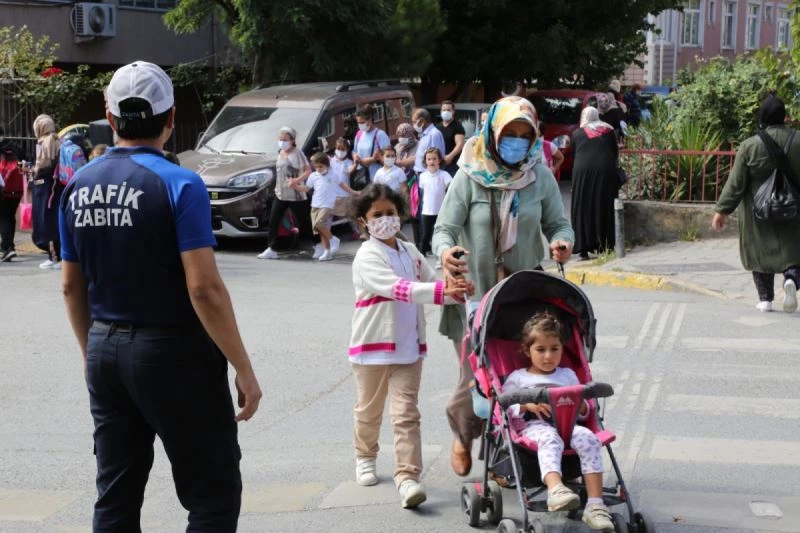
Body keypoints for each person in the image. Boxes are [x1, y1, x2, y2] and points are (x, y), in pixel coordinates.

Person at [58, 60, 262, 532]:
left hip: (105, 347)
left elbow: (71, 284)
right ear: (171, 120)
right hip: (173, 352)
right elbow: (204, 287)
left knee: (116, 496)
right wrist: (244, 368)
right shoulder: (179, 183)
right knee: (211, 496)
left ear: (109, 118)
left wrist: (92, 353)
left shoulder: (79, 185)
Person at [432, 95, 574, 477]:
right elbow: (442, 230)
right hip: (473, 293)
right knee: (475, 378)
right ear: (493, 133)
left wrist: (562, 242)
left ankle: (507, 456)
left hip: (522, 293)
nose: (517, 141)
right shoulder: (468, 174)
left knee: (521, 374)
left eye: (525, 135)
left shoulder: (539, 175)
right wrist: (446, 254)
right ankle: (464, 435)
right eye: (509, 133)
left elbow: (558, 225)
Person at [348, 183, 473, 508]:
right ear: (364, 221)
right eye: (377, 215)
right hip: (372, 347)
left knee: (406, 414)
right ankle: (365, 455)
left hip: (408, 348)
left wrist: (456, 287)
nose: (385, 220)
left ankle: (408, 478)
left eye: (390, 213)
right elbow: (399, 289)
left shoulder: (409, 251)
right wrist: (440, 292)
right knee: (369, 411)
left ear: (401, 214)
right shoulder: (366, 256)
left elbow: (433, 280)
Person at [503, 312, 613, 530]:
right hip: (534, 427)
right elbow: (505, 405)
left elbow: (584, 410)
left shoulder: (567, 375)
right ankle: (556, 489)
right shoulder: (518, 378)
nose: (548, 356)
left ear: (563, 348)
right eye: (540, 350)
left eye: (554, 349)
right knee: (550, 438)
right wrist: (527, 405)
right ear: (527, 350)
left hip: (568, 425)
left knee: (589, 438)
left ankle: (595, 505)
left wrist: (581, 406)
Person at [712, 94, 800, 313]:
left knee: (760, 252)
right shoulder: (798, 141)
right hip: (794, 210)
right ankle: (791, 279)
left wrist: (722, 210)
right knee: (794, 250)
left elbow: (736, 183)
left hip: (759, 214)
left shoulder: (750, 146)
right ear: (785, 117)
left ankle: (765, 299)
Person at [570, 107, 619, 260]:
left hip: (582, 172)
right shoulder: (609, 131)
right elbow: (615, 153)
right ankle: (604, 245)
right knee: (604, 204)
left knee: (582, 206)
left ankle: (583, 248)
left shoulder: (577, 133)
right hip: (606, 171)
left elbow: (574, 153)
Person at [257, 126, 312, 260]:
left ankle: (311, 245)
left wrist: (296, 180)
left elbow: (308, 170)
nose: (282, 142)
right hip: (280, 193)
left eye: (285, 139)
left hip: (296, 194)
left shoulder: (297, 153)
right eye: (280, 139)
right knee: (273, 220)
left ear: (292, 140)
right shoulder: (280, 152)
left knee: (304, 221)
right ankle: (272, 248)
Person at [294, 152, 354, 261]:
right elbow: (307, 188)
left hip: (327, 205)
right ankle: (327, 252)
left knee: (319, 224)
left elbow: (343, 185)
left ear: (327, 165)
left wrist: (353, 192)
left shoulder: (333, 175)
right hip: (315, 204)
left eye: (320, 166)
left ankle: (333, 240)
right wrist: (295, 186)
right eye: (316, 167)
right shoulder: (313, 176)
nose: (318, 169)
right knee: (320, 229)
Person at [31, 114, 62, 269]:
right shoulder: (58, 139)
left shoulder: (45, 141)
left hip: (45, 187)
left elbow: (42, 166)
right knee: (54, 218)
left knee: (46, 219)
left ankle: (53, 256)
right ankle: (57, 254)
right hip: (56, 186)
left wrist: (33, 171)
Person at [417, 147, 452, 259]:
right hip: (427, 210)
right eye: (429, 159)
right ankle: (422, 254)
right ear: (425, 161)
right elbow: (422, 191)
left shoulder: (444, 175)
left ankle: (440, 254)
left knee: (439, 234)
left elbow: (451, 186)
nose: (431, 161)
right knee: (426, 234)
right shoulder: (422, 176)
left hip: (441, 211)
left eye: (434, 159)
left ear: (439, 160)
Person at [0, 128, 26, 262]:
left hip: (2, 188)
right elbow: (25, 163)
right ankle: (10, 245)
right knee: (10, 216)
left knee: (3, 218)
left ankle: (7, 248)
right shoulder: (14, 146)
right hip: (17, 188)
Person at [330, 137, 361, 242]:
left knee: (351, 215)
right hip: (332, 194)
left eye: (343, 149)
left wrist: (356, 164)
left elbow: (350, 171)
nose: (340, 151)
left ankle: (356, 231)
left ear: (347, 151)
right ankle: (328, 234)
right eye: (338, 148)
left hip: (345, 194)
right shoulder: (330, 161)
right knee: (330, 215)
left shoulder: (348, 162)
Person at [352, 106, 391, 182]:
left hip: (376, 177)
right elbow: (354, 151)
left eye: (362, 122)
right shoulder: (359, 134)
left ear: (369, 120)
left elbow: (389, 159)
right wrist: (355, 156)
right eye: (358, 122)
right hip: (361, 176)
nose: (360, 125)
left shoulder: (380, 135)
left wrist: (374, 160)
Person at [411, 108, 446, 177]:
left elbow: (435, 159)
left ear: (422, 121)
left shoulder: (433, 135)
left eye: (414, 122)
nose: (413, 125)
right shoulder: (424, 135)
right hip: (422, 175)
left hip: (429, 176)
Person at [437, 100, 466, 176]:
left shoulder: (457, 126)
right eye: (444, 110)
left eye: (449, 110)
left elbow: (460, 144)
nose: (446, 112)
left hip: (452, 164)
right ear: (441, 111)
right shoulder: (438, 126)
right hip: (439, 163)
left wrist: (450, 156)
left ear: (453, 112)